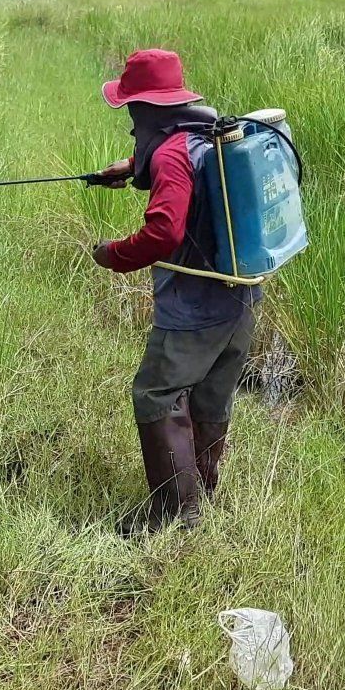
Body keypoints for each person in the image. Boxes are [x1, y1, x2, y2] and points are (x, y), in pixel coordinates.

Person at [90, 49, 261, 537]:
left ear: (148, 108)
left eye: (130, 109)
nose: (128, 120)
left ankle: (176, 518)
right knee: (209, 395)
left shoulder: (168, 155)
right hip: (239, 295)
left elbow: (164, 233)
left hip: (194, 306)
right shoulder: (207, 136)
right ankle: (201, 493)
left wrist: (115, 255)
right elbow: (181, 167)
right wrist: (128, 168)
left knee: (157, 393)